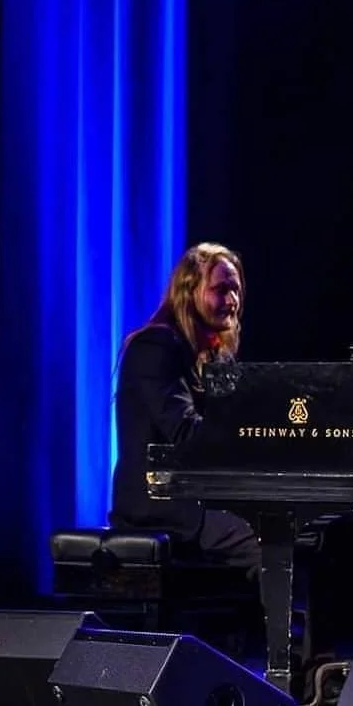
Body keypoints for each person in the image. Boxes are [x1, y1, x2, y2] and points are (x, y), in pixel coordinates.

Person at [110, 242, 261, 578]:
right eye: (221, 290)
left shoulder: (213, 356)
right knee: (267, 543)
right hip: (160, 506)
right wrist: (251, 439)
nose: (233, 301)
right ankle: (282, 631)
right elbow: (185, 433)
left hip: (201, 501)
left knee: (290, 533)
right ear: (189, 290)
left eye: (236, 291)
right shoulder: (155, 347)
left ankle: (257, 628)